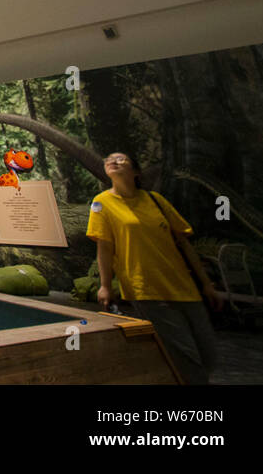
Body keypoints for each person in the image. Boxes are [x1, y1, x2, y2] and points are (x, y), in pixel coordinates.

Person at [87, 152, 222, 384]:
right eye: (109, 159)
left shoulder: (156, 200)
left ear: (136, 172)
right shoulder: (101, 203)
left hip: (183, 286)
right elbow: (105, 248)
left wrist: (206, 284)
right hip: (145, 288)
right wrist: (105, 285)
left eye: (121, 159)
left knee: (208, 355)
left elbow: (184, 243)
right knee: (184, 355)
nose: (114, 161)